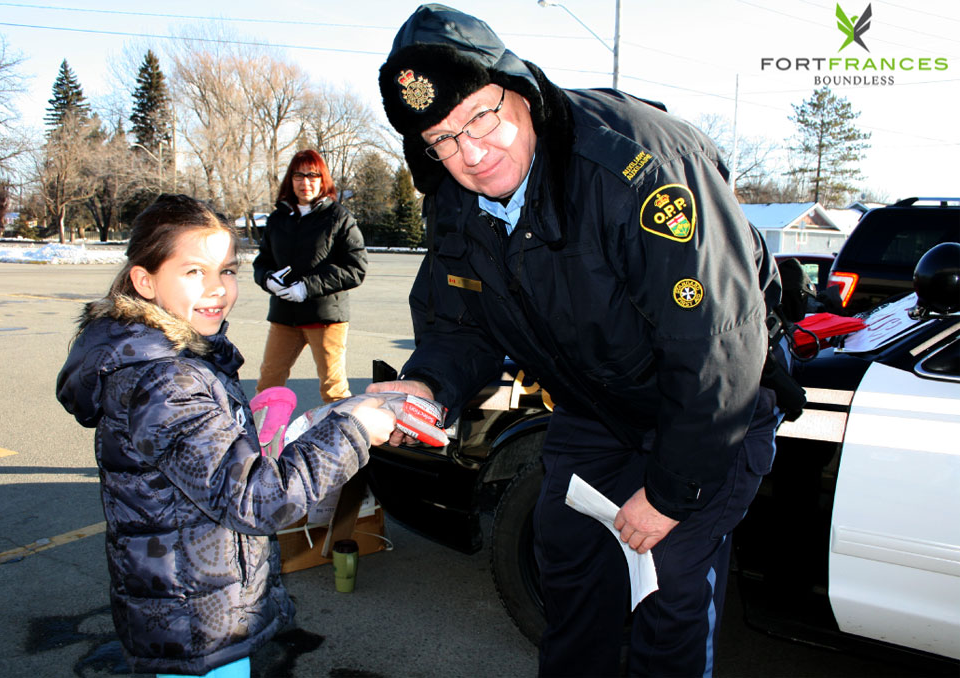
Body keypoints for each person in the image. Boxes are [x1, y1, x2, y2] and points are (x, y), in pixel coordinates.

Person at [370, 5, 785, 677]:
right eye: (440, 141)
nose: (470, 153)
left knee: (668, 591)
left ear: (522, 91)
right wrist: (426, 384)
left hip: (705, 412)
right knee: (566, 565)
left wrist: (671, 492)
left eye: (481, 116)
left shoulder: (635, 167)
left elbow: (717, 344)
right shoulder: (453, 197)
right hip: (595, 410)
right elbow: (457, 323)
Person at [56, 194, 395, 678]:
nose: (218, 289)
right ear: (144, 280)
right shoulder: (166, 379)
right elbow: (259, 499)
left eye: (228, 271)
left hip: (192, 601)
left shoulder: (178, 357)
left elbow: (209, 470)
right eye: (195, 272)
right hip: (195, 621)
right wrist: (354, 431)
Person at [253, 149, 368, 403]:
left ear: (323, 179)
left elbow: (356, 268)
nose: (305, 182)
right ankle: (264, 440)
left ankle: (341, 439)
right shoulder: (277, 219)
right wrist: (268, 279)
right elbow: (262, 262)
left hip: (325, 317)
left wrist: (306, 288)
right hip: (285, 316)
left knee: (333, 389)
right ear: (290, 180)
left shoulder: (339, 217)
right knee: (268, 384)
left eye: (313, 175)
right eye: (299, 175)